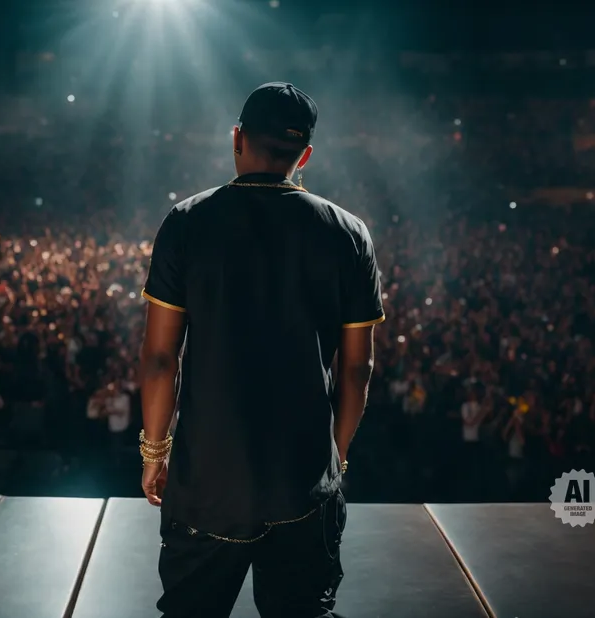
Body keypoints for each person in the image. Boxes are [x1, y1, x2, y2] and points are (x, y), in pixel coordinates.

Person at [138, 82, 385, 618]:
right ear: (306, 155)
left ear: (237, 138)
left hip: (206, 480)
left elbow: (160, 360)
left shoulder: (186, 221)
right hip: (302, 480)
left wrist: (154, 452)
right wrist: (335, 454)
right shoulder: (349, 234)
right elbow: (358, 370)